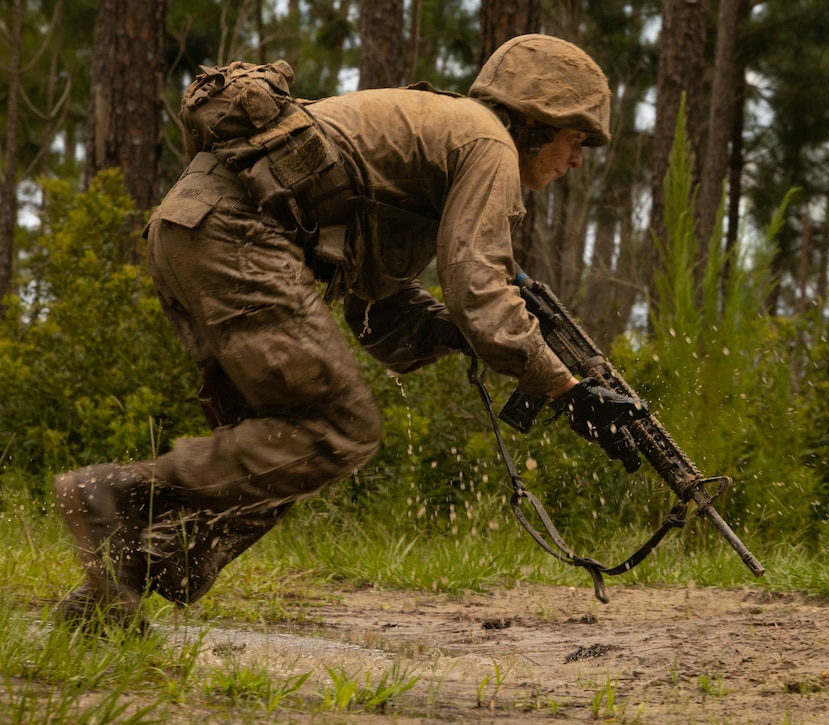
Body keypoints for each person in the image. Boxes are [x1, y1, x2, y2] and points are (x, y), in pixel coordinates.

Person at [52, 34, 648, 628]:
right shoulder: (488, 142)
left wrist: (462, 334)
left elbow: (379, 313)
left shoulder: (445, 136)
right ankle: (118, 496)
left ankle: (110, 593)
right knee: (339, 429)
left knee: (278, 449)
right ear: (537, 121)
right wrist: (564, 388)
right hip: (235, 235)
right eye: (577, 141)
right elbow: (479, 284)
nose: (575, 161)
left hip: (190, 231)